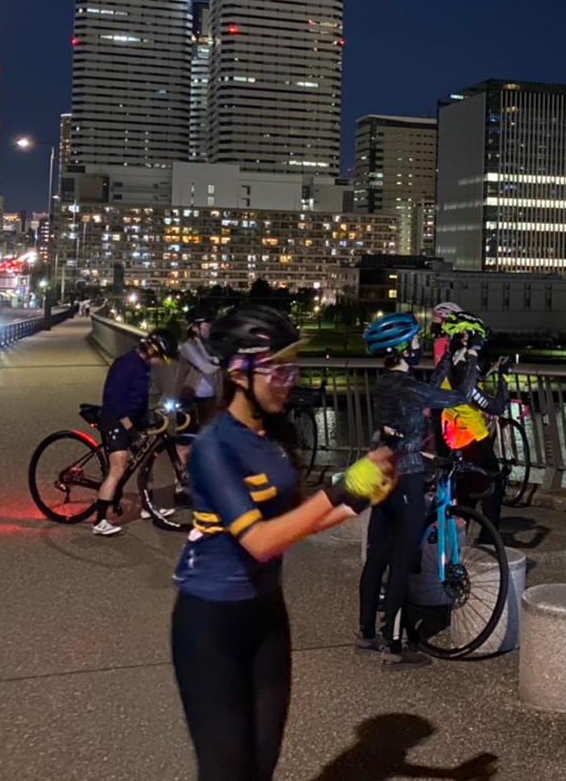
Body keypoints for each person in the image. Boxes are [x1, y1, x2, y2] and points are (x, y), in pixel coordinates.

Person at [170, 306, 397, 781]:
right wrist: (338, 489)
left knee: (263, 762)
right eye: (278, 369)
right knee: (227, 770)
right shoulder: (216, 446)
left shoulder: (272, 438)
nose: (289, 380)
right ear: (238, 370)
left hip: (266, 615)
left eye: (294, 367)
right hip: (211, 622)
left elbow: (295, 522)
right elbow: (259, 541)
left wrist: (358, 499)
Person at [356, 312, 485, 668]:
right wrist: (472, 354)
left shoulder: (387, 384)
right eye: (414, 341)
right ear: (401, 347)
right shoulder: (408, 389)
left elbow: (427, 391)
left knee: (377, 555)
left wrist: (447, 358)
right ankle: (396, 646)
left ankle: (367, 633)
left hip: (382, 477)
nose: (418, 346)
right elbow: (458, 396)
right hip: (408, 478)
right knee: (400, 561)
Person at [92, 331, 176, 536]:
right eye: (159, 358)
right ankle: (100, 520)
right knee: (118, 469)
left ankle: (148, 507)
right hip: (114, 419)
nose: (159, 363)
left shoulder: (143, 366)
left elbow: (139, 400)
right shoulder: (126, 364)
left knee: (146, 460)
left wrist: (149, 417)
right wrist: (131, 431)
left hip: (132, 419)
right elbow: (116, 402)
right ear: (151, 351)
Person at [436, 310, 503, 530]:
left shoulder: (449, 362)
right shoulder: (463, 370)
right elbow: (496, 406)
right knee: (493, 484)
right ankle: (488, 539)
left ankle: (461, 536)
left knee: (465, 486)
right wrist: (504, 379)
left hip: (452, 436)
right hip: (473, 437)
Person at [178, 310, 222, 426]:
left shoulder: (208, 345)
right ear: (194, 328)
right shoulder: (188, 346)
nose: (209, 328)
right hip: (194, 401)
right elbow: (206, 368)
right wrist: (221, 361)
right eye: (206, 325)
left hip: (211, 399)